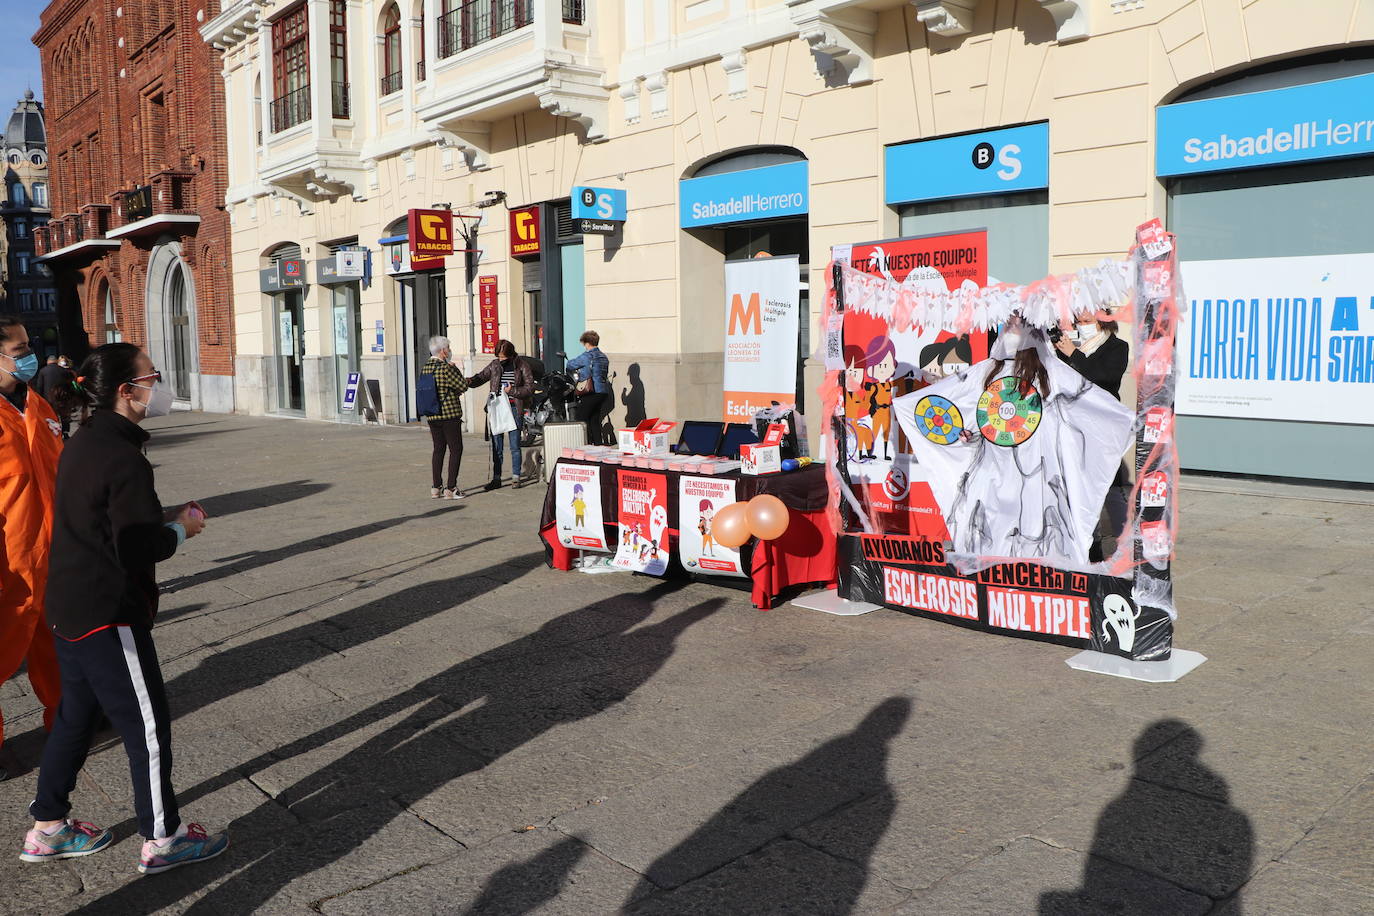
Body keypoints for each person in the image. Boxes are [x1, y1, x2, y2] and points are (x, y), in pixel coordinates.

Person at [20, 342, 228, 873]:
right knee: (148, 729)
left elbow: (107, 519)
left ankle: (48, 826)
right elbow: (135, 548)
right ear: (125, 391)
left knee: (75, 717)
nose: (156, 385)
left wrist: (160, 516)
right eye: (150, 376)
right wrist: (182, 528)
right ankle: (164, 837)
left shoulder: (85, 441)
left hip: (68, 606)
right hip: (109, 613)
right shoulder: (123, 456)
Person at [0, 318, 64, 782]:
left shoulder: (38, 405)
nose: (31, 353)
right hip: (10, 561)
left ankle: (67, 718)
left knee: (58, 645)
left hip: (55, 553)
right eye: (20, 347)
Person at [1055, 316, 1131, 560]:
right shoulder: (1066, 344)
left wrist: (1074, 355)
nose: (1082, 313)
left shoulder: (1117, 347)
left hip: (1103, 427)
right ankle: (1091, 546)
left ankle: (1124, 546)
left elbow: (1104, 378)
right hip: (1072, 425)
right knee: (1077, 486)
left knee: (1107, 485)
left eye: (1089, 307)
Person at [469, 339, 535, 490]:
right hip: (497, 408)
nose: (501, 360)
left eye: (504, 357)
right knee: (497, 446)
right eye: (499, 356)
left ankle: (516, 477)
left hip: (513, 408)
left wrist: (512, 391)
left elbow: (530, 388)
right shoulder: (494, 365)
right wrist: (467, 381)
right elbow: (481, 377)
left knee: (514, 445)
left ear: (511, 355)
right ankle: (496, 478)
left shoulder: (521, 365)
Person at [419, 336, 468, 500]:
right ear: (442, 351)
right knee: (456, 449)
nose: (449, 350)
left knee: (438, 449)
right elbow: (462, 385)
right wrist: (455, 369)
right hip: (449, 415)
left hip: (432, 414)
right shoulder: (445, 368)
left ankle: (436, 487)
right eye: (448, 347)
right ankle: (451, 488)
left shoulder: (425, 367)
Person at [565, 331, 611, 445]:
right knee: (594, 420)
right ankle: (598, 446)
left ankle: (586, 445)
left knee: (581, 418)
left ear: (587, 343)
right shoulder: (604, 357)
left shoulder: (587, 356)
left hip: (590, 391)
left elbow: (570, 364)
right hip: (603, 392)